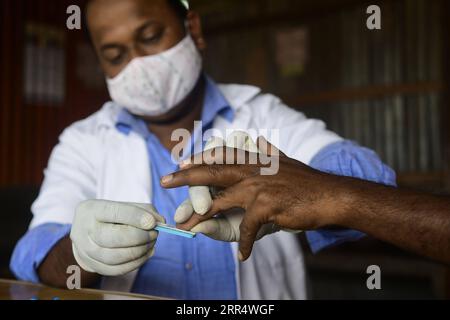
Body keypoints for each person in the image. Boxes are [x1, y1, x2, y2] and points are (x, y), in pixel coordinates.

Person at [10, 0, 396, 299]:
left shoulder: (259, 114)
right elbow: (35, 255)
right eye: (115, 56)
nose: (139, 65)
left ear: (192, 29)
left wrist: (289, 185)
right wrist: (82, 251)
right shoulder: (83, 140)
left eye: (149, 37)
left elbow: (367, 179)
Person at [161, 140, 450, 265]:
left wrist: (323, 190)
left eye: (151, 35)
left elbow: (361, 168)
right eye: (113, 56)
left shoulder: (261, 106)